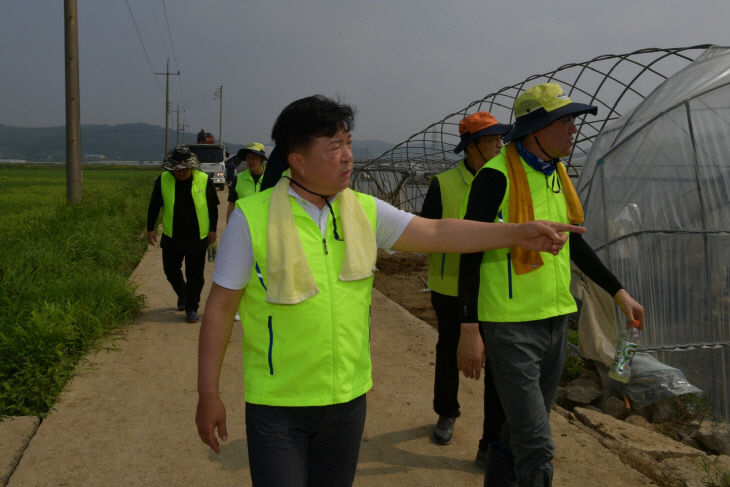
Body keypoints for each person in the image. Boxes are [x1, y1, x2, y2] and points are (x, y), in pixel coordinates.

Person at [195, 94, 585, 486]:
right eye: (334, 147)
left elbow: (436, 230)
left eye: (348, 143)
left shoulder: (363, 210)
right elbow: (220, 309)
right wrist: (208, 393)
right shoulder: (253, 218)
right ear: (297, 160)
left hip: (347, 401)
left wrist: (515, 232)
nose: (348, 156)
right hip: (277, 405)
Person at [456, 83, 645, 487]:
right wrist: (468, 327)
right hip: (510, 325)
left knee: (519, 429)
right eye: (564, 121)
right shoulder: (496, 177)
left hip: (556, 318)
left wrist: (618, 291)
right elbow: (468, 251)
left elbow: (574, 241)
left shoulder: (557, 175)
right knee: (538, 443)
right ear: (536, 129)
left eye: (573, 120)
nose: (573, 129)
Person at [420, 111, 511, 467]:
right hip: (448, 285)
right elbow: (426, 231)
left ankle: (492, 439)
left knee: (497, 359)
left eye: (501, 139)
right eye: (493, 141)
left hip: (493, 286)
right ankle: (447, 411)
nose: (500, 145)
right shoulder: (443, 184)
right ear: (472, 147)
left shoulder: (504, 179)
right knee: (449, 350)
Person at [147, 145, 220, 323]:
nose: (181, 173)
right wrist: (150, 228)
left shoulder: (203, 179)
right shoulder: (163, 179)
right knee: (170, 270)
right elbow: (154, 205)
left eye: (184, 169)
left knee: (196, 274)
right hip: (172, 235)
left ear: (192, 167)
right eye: (177, 169)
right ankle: (183, 294)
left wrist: (213, 229)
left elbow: (212, 207)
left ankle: (191, 308)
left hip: (198, 236)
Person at [225, 142, 267, 222]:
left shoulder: (271, 178)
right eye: (248, 157)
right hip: (243, 227)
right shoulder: (238, 179)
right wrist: (229, 227)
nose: (251, 161)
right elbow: (231, 205)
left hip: (264, 228)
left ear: (262, 159)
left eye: (254, 158)